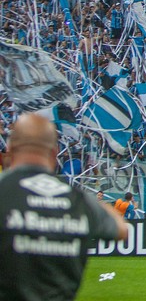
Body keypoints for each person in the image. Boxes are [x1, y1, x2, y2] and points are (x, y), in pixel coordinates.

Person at [0, 113, 128, 301]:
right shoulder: (78, 200)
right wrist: (90, 201)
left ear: (10, 149)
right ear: (55, 152)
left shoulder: (4, 190)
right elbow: (121, 229)